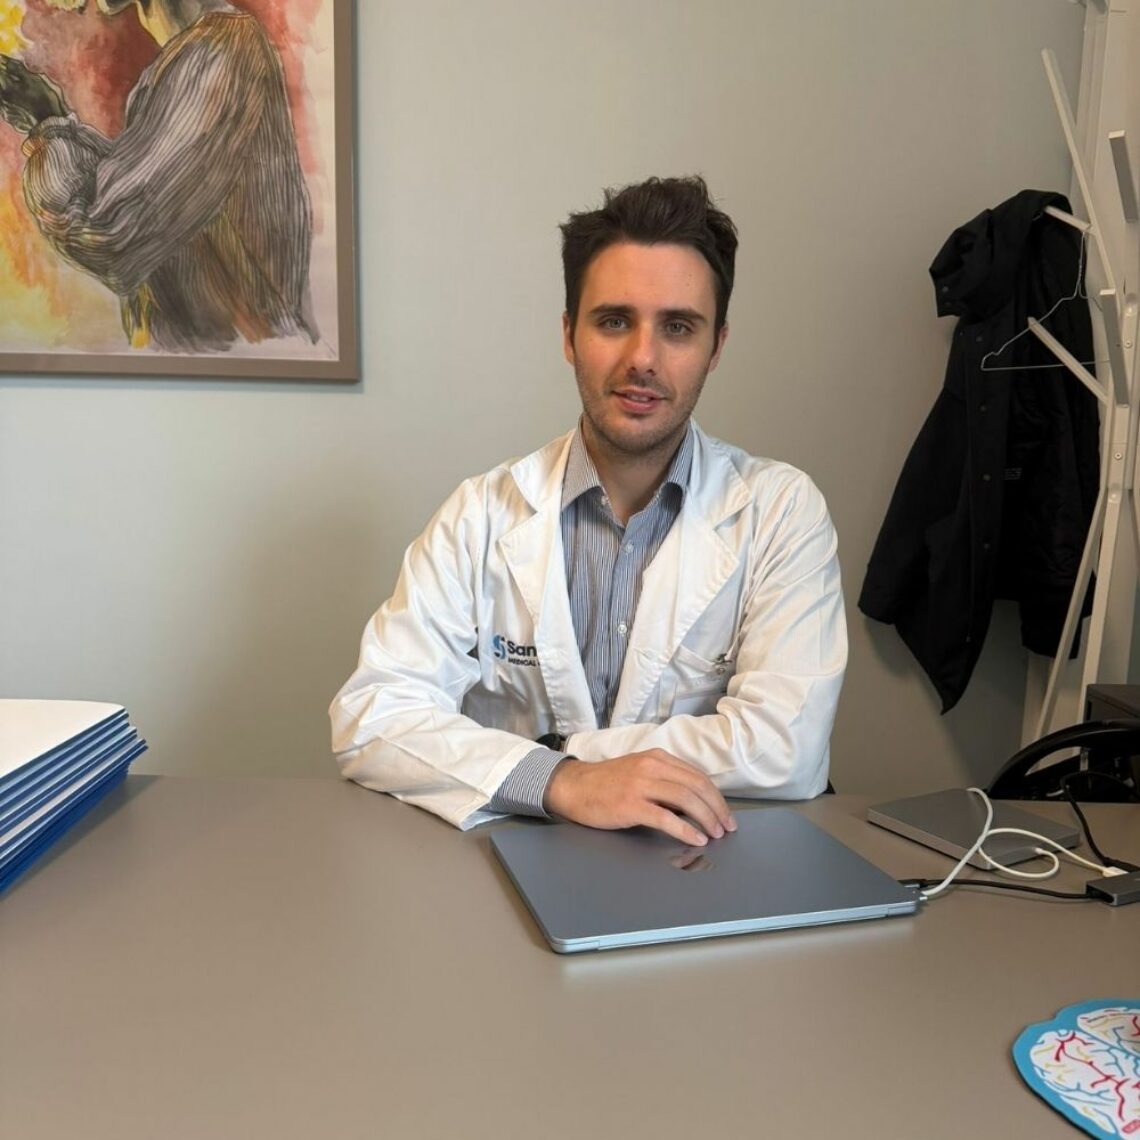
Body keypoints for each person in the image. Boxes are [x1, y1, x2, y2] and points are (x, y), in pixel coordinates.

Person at [330, 175, 847, 847]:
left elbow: (788, 746)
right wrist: (561, 783)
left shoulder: (780, 512)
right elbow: (372, 715)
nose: (642, 358)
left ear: (716, 347)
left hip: (703, 863)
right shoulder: (480, 514)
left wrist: (568, 756)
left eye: (678, 327)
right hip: (516, 854)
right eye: (614, 321)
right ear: (570, 335)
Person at [0, 0, 316, 352]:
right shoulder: (204, 52)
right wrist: (53, 120)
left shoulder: (221, 54)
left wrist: (46, 120)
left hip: (229, 357)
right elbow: (136, 188)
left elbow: (111, 237)